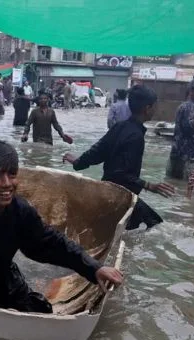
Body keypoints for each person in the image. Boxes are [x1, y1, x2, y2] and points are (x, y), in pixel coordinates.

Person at [0, 137, 124, 340]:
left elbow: (51, 242)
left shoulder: (20, 210)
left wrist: (94, 268)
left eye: (12, 174)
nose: (7, 184)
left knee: (44, 314)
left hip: (6, 281)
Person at [62, 85, 176, 231]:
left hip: (107, 191)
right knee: (155, 225)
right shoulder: (136, 136)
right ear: (147, 109)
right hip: (120, 195)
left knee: (129, 228)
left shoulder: (119, 127)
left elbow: (97, 152)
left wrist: (78, 162)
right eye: (155, 106)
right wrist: (149, 185)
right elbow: (121, 174)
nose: (156, 109)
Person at [168, 78, 194, 179]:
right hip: (187, 156)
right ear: (191, 91)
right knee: (186, 184)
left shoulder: (190, 106)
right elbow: (188, 128)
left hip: (179, 153)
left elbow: (189, 123)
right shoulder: (189, 106)